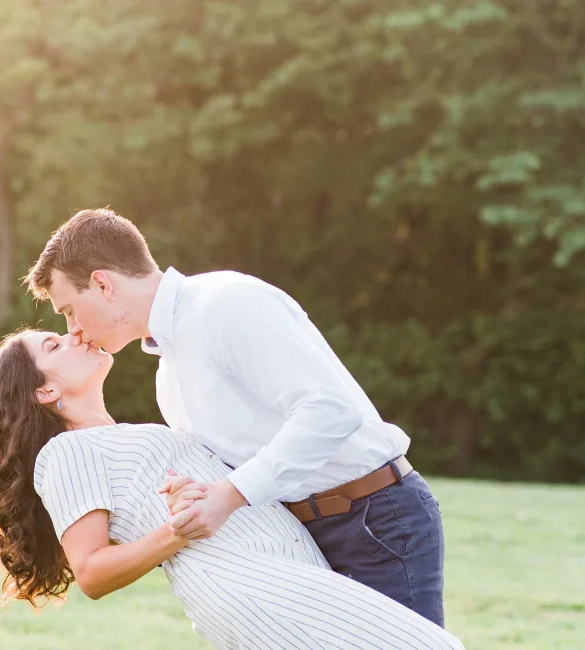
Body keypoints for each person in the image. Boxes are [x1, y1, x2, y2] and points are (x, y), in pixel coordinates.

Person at [24, 208, 447, 627]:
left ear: (102, 284)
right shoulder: (167, 376)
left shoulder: (226, 304)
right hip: (298, 542)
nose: (73, 329)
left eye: (69, 311)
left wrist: (229, 494)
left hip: (372, 519)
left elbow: (330, 411)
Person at [0, 329, 465, 649]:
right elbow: (91, 572)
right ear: (46, 392)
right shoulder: (66, 454)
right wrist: (175, 532)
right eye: (54, 346)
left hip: (283, 573)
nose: (73, 335)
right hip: (253, 589)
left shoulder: (122, 435)